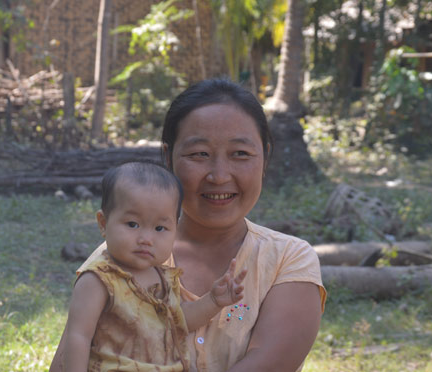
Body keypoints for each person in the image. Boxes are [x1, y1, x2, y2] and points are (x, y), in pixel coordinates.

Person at [51, 78, 326, 372]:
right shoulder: (120, 257)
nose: (219, 175)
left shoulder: (288, 260)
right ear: (168, 157)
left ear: (265, 157)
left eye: (240, 154)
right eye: (199, 155)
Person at [62, 161, 247, 372]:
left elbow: (179, 321)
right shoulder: (99, 280)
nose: (146, 239)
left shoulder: (164, 277)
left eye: (160, 228)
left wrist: (213, 301)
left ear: (174, 230)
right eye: (133, 224)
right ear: (103, 223)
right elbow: (78, 336)